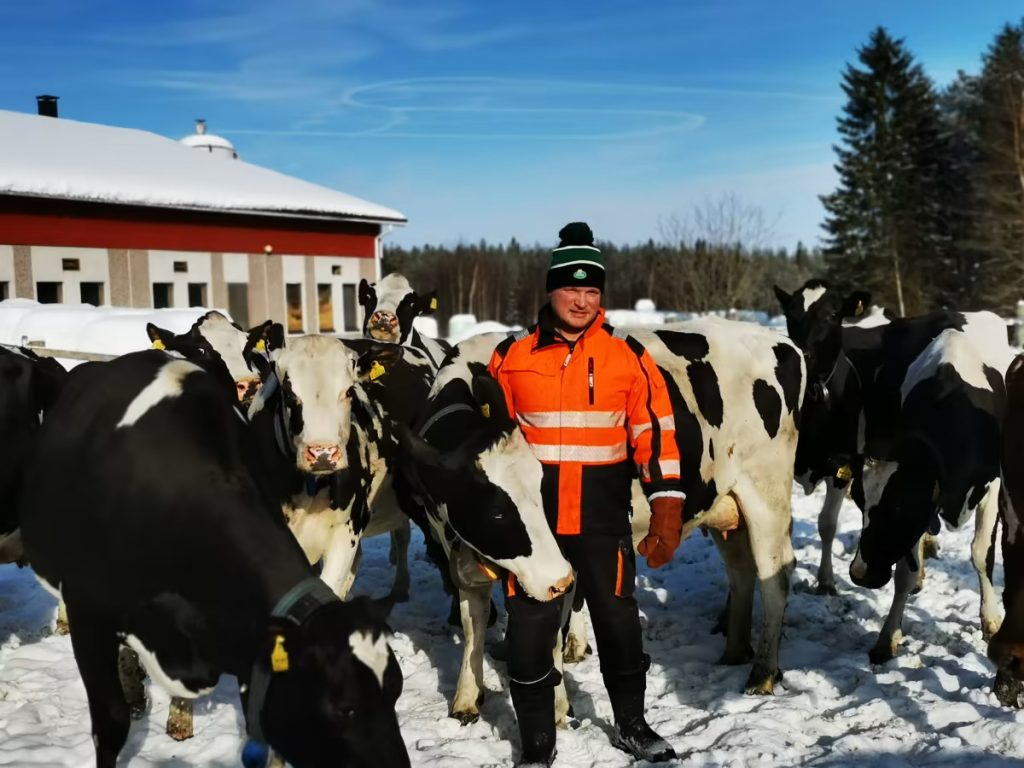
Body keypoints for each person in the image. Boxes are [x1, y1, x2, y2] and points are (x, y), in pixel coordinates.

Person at [488, 221, 687, 766]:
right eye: (572, 288)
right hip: (535, 530)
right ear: (550, 290)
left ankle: (631, 724)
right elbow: (486, 452)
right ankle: (536, 744)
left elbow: (656, 432)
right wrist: (483, 537)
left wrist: (667, 506)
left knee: (619, 623)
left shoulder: (628, 355)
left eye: (592, 289)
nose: (582, 299)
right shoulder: (511, 356)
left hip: (603, 520)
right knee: (528, 637)